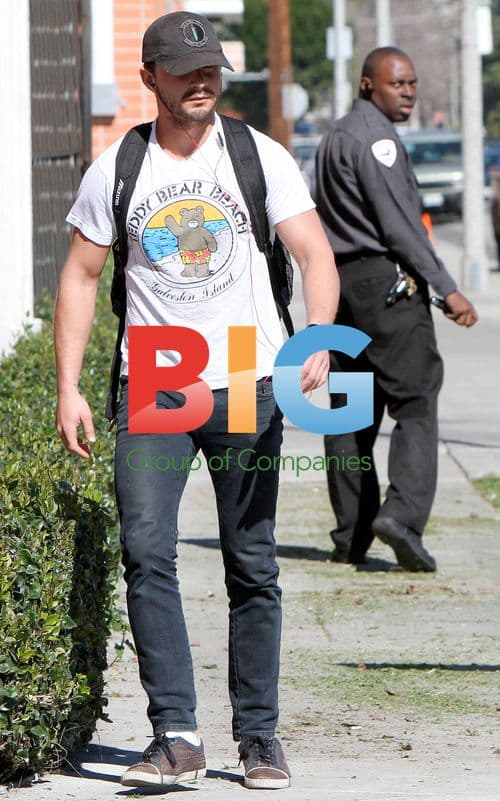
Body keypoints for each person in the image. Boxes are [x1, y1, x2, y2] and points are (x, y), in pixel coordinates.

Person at [54, 11, 339, 791]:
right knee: (146, 552)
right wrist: (69, 386)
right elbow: (80, 276)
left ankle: (259, 736)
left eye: (210, 68)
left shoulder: (259, 155)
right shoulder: (118, 168)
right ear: (150, 79)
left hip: (247, 373)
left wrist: (318, 335)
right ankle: (176, 734)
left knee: (251, 557)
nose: (202, 81)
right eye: (183, 71)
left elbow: (314, 251)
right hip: (153, 378)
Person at [315, 46, 478, 573]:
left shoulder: (335, 135)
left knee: (348, 413)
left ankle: (351, 535)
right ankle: (402, 517)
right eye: (397, 84)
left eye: (412, 83)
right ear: (368, 85)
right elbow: (399, 225)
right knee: (414, 400)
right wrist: (446, 287)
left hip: (339, 286)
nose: (408, 92)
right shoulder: (377, 139)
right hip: (386, 284)